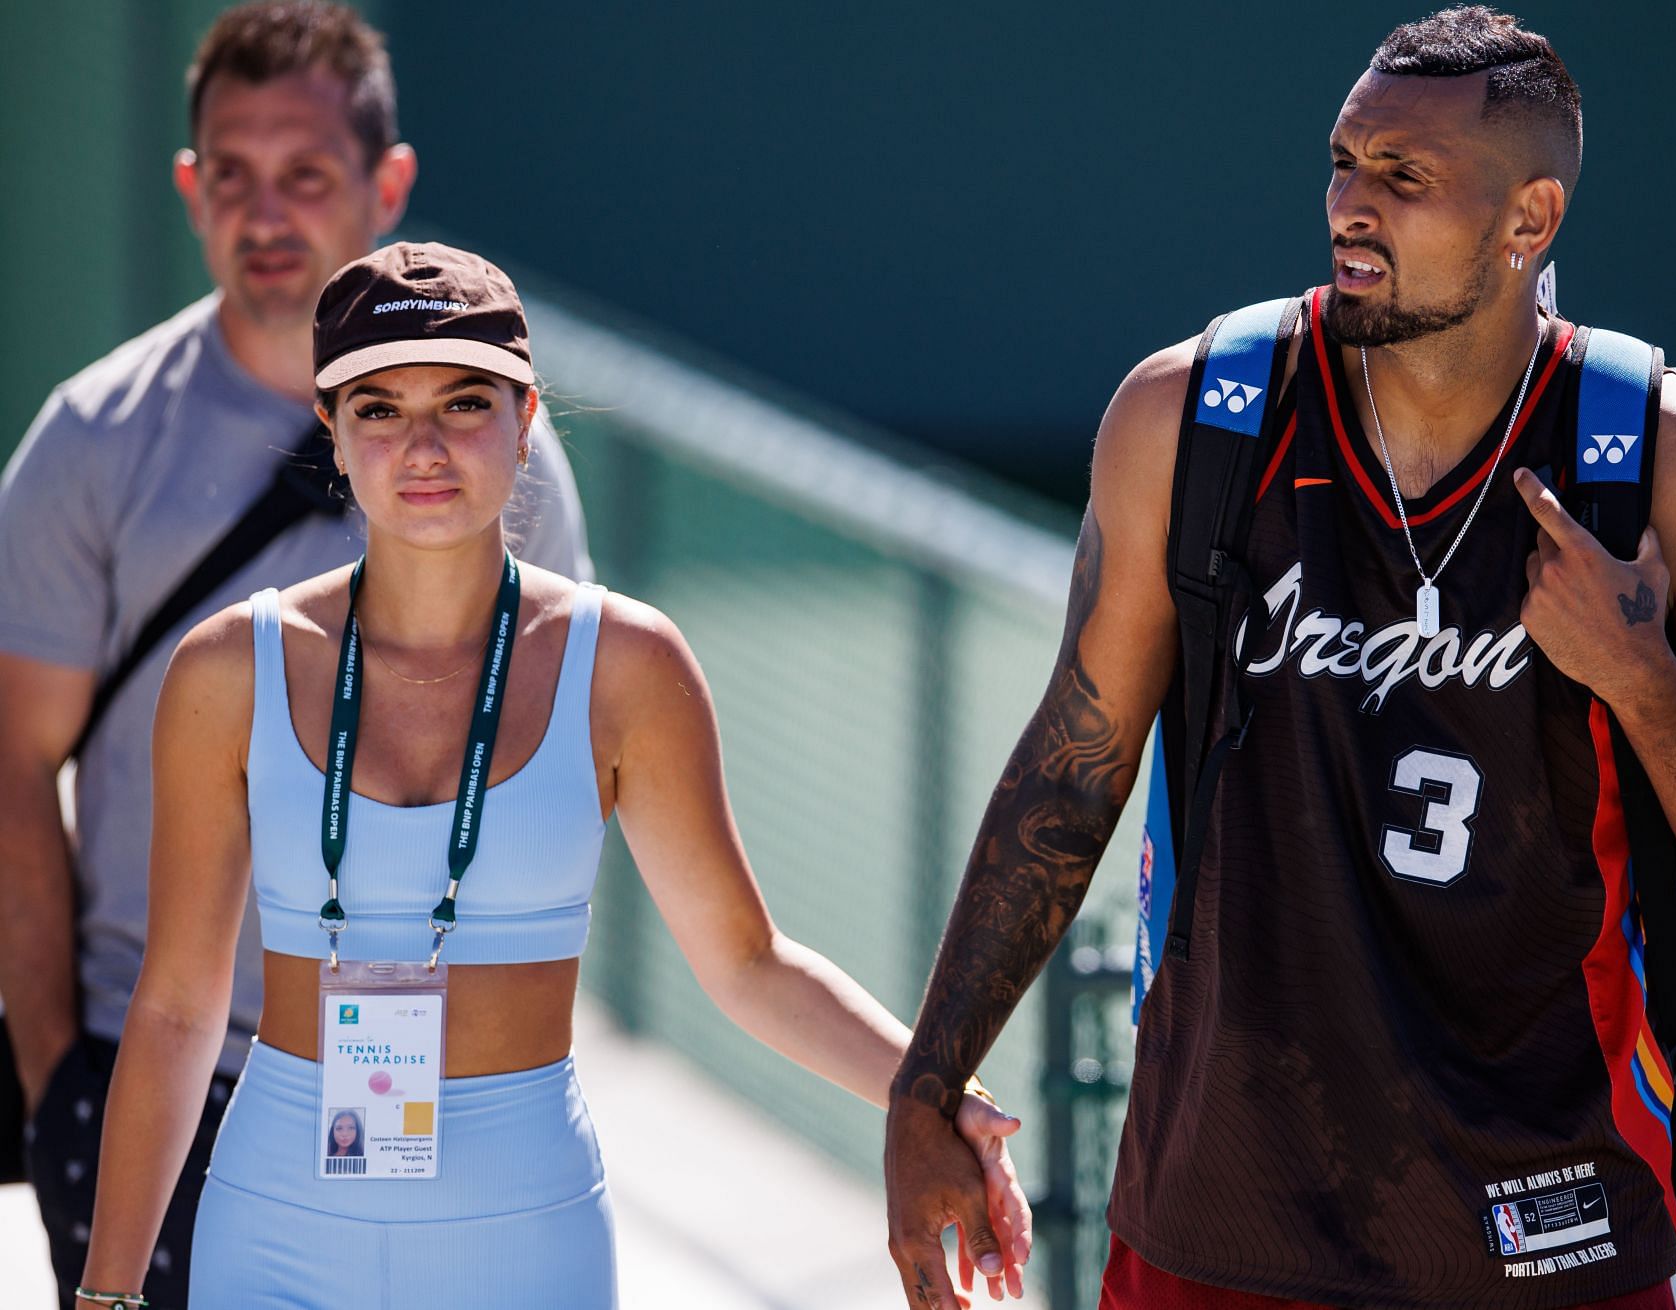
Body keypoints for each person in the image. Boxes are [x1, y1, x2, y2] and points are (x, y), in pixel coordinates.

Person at [884, 7, 1676, 1309]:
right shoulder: (1194, 419)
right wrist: (927, 1085)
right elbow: (1076, 762)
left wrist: (1639, 679)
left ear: (1529, 220)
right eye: (1344, 161)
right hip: (1218, 1220)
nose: (1351, 205)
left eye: (1405, 177)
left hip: (1553, 1234)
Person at [72, 241, 1029, 1310]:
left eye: (465, 401)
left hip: (525, 1240)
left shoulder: (627, 666)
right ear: (331, 433)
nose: (423, 444)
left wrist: (942, 1093)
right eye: (380, 407)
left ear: (527, 421)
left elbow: (747, 962)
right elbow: (173, 1008)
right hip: (274, 1233)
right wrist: (107, 1295)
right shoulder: (226, 670)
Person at [0, 6, 593, 1303]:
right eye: (232, 174)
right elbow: (9, 765)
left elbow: (554, 755)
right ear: (187, 187)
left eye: (307, 175)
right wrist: (56, 1078)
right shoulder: (91, 440)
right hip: (157, 1074)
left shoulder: (508, 459)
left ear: (388, 184)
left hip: (419, 1093)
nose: (265, 212)